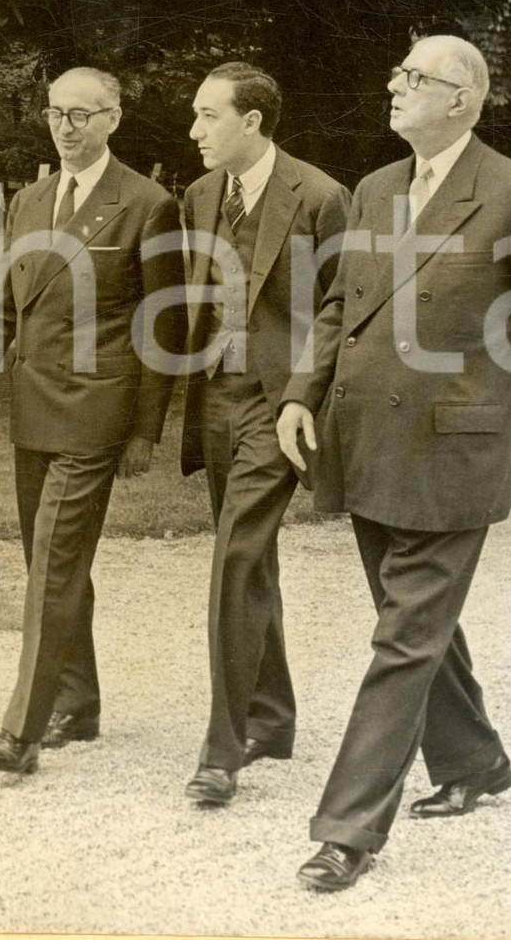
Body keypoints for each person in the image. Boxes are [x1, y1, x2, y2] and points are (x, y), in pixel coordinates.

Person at [276, 35, 511, 891]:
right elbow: (343, 302)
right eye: (398, 72)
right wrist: (302, 392)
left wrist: (492, 411)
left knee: (402, 636)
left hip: (453, 457)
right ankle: (476, 762)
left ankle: (347, 830)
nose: (395, 84)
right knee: (414, 619)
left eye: (415, 77)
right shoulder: (377, 188)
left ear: (463, 99)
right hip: (366, 442)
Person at [0, 66, 186, 775]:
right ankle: (78, 704)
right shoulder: (29, 199)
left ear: (113, 118)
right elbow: (2, 301)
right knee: (49, 563)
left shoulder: (148, 203)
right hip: (32, 407)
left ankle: (20, 730)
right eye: (56, 113)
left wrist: (144, 430)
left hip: (97, 413)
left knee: (52, 562)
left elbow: (163, 326)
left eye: (82, 114)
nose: (66, 126)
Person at [180, 62, 350, 806]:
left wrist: (303, 398)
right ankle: (273, 718)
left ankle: (224, 748)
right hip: (215, 396)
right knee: (250, 559)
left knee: (233, 557)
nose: (194, 130)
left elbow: (345, 308)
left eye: (208, 116)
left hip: (280, 406)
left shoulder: (319, 196)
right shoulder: (199, 195)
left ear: (252, 122)